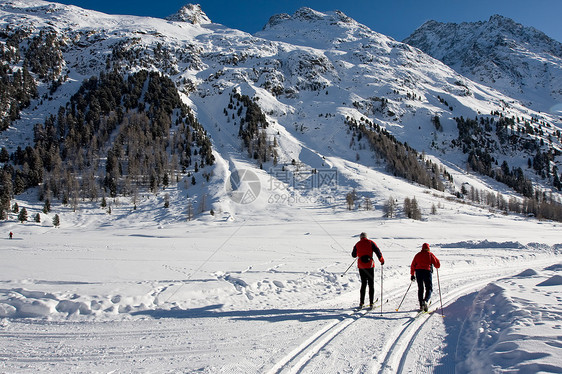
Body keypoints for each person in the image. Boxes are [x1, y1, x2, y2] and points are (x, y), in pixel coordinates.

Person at [352, 232, 384, 309]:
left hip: (361, 266)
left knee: (363, 284)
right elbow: (377, 251)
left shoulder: (357, 244)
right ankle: (371, 303)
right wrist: (381, 260)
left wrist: (359, 254)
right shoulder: (371, 242)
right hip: (370, 266)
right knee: (371, 284)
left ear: (360, 237)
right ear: (366, 237)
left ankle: (361, 302)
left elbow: (353, 255)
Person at [410, 243, 440, 312]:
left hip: (418, 272)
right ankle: (426, 300)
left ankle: (421, 304)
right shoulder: (430, 254)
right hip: (427, 272)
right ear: (428, 248)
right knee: (429, 288)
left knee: (420, 288)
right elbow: (437, 265)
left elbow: (413, 265)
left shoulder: (418, 255)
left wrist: (412, 275)